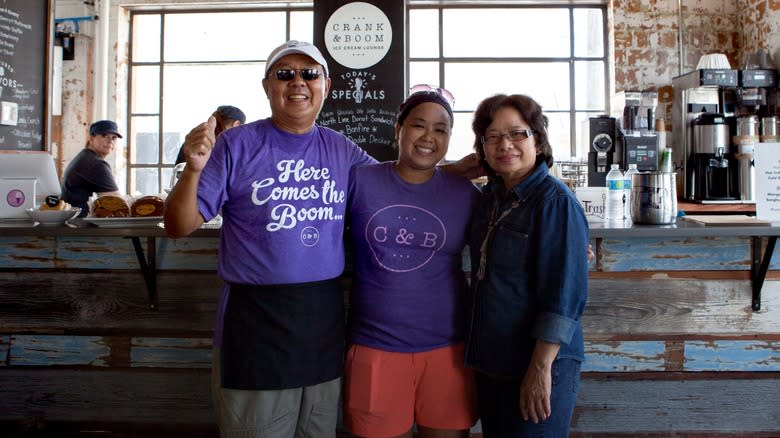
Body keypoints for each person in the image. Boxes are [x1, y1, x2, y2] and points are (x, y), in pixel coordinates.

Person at [164, 39, 481, 437]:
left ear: (325, 86)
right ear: (267, 86)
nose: (298, 82)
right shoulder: (236, 144)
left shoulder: (340, 148)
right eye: (285, 74)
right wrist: (192, 170)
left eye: (309, 74)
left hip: (322, 319)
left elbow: (399, 179)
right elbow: (179, 226)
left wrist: (457, 171)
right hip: (254, 318)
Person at [343, 87, 480, 438]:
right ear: (398, 129)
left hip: (449, 350)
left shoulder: (467, 195)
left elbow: (506, 242)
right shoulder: (360, 180)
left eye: (440, 129)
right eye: (418, 125)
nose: (428, 137)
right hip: (375, 348)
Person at [464, 94, 589, 437]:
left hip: (539, 363)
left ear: (538, 138)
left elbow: (564, 298)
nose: (505, 144)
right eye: (492, 136)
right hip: (493, 362)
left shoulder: (554, 202)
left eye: (517, 134)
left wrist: (540, 368)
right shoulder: (490, 198)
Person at [61, 120, 123, 217]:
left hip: (73, 221)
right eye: (104, 136)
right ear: (91, 138)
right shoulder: (95, 164)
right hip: (82, 225)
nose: (110, 141)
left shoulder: (85, 157)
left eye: (114, 138)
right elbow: (118, 205)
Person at [174, 105, 246, 165]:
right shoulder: (195, 144)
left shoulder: (242, 151)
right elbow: (179, 175)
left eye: (217, 126)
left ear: (237, 125)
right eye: (209, 123)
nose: (210, 129)